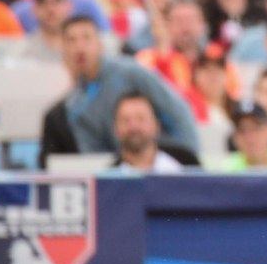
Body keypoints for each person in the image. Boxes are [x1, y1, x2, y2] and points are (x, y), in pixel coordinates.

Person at [38, 16, 197, 164]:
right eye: (71, 41)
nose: (79, 47)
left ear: (100, 44)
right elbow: (94, 154)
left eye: (86, 38)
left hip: (164, 165)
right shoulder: (73, 107)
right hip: (121, 176)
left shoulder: (132, 72)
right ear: (63, 49)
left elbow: (179, 114)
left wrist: (190, 164)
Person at [112, 92, 201, 173]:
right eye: (125, 120)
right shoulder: (109, 180)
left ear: (156, 125)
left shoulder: (185, 163)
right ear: (116, 129)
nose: (134, 126)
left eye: (141, 119)